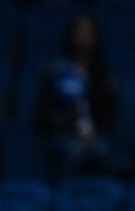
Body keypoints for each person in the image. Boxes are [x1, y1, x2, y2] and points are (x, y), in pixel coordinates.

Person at [37, 12, 118, 178]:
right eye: (80, 31)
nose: (84, 36)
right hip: (63, 134)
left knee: (100, 150)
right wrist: (63, 121)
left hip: (96, 134)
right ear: (71, 34)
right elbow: (40, 113)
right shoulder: (56, 71)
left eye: (88, 31)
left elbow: (110, 113)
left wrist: (95, 132)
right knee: (73, 152)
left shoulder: (103, 74)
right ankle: (63, 197)